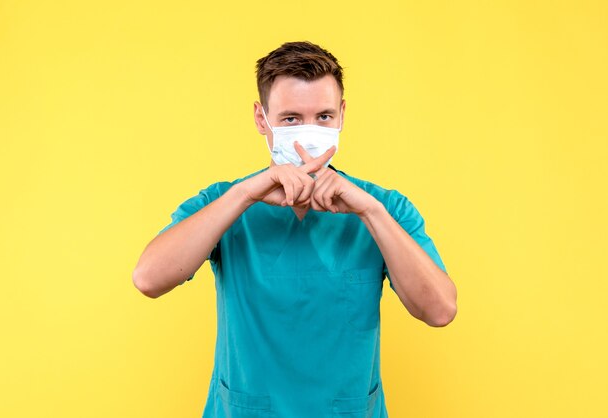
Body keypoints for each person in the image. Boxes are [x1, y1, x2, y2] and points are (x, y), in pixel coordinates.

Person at [133, 41, 457, 418]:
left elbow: (440, 310)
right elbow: (148, 278)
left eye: (323, 117)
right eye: (290, 118)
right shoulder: (225, 202)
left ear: (342, 115)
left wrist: (371, 213)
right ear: (261, 118)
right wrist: (244, 195)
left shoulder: (386, 208)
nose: (308, 133)